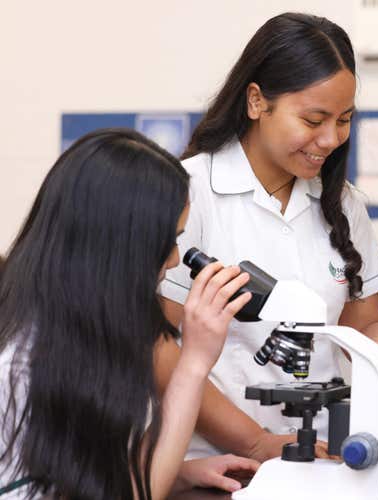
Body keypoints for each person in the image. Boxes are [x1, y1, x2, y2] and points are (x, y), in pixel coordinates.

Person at [158, 12, 378, 462]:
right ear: (256, 102)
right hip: (211, 460)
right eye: (313, 119)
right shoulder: (191, 192)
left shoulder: (343, 205)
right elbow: (161, 350)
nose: (330, 139)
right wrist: (254, 442)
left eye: (344, 120)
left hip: (320, 453)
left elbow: (362, 331)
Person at [0, 129, 259, 499]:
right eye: (166, 241)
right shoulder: (23, 366)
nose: (172, 259)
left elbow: (91, 478)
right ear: (116, 245)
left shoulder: (68, 328)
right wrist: (195, 361)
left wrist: (179, 473)